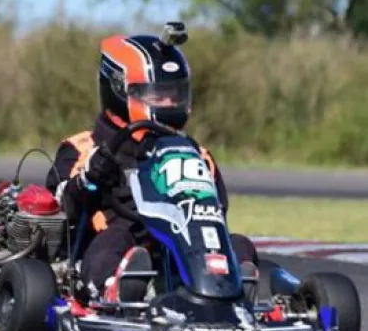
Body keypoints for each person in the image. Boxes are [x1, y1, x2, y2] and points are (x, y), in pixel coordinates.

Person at [44, 22, 259, 304]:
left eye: (175, 93)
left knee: (239, 244)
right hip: (105, 249)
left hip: (179, 254)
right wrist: (88, 179)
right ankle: (114, 289)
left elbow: (214, 217)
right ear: (119, 90)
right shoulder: (84, 148)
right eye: (157, 94)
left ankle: (237, 293)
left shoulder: (196, 154)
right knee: (116, 238)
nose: (168, 102)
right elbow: (58, 207)